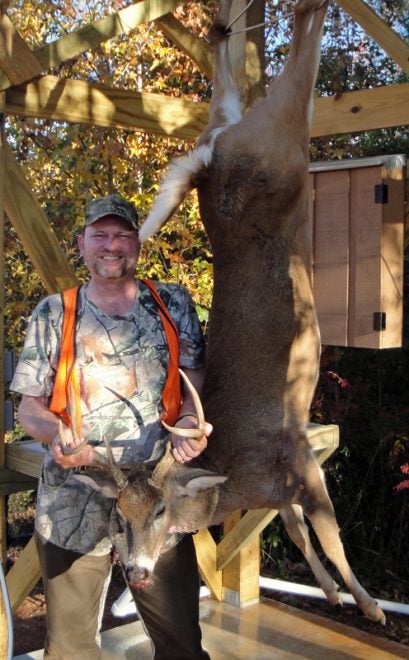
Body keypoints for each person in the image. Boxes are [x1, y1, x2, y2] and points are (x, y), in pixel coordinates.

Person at [10, 193, 212, 660]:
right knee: (72, 649)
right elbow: (30, 410)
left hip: (154, 502)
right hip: (75, 495)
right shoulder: (53, 314)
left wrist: (186, 418)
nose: (111, 245)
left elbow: (194, 373)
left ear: (137, 244)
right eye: (100, 234)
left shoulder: (173, 303)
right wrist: (57, 437)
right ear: (82, 243)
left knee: (182, 643)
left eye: (122, 234)